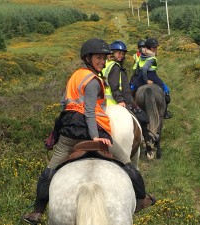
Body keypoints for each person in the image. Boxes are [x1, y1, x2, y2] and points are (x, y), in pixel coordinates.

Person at [23, 38, 154, 224]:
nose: (102, 61)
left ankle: (37, 211)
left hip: (69, 132)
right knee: (126, 163)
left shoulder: (76, 75)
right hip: (92, 131)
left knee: (50, 170)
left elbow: (64, 102)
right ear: (88, 58)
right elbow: (90, 112)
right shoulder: (92, 81)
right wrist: (95, 136)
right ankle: (142, 199)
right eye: (98, 58)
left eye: (104, 58)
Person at [101, 40, 158, 153]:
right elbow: (114, 86)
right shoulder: (115, 67)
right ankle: (147, 142)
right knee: (143, 118)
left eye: (122, 54)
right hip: (118, 102)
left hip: (106, 102)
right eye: (118, 53)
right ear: (112, 53)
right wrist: (121, 100)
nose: (121, 56)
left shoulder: (106, 64)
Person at [131, 38, 172, 119]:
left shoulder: (141, 55)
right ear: (149, 49)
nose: (156, 49)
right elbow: (144, 69)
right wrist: (146, 80)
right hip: (150, 76)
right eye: (154, 48)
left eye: (156, 48)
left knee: (131, 89)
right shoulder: (152, 58)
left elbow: (138, 67)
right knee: (166, 91)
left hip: (139, 76)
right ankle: (165, 112)